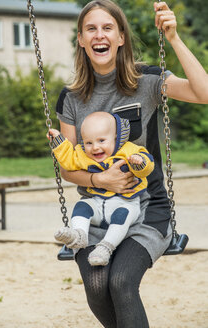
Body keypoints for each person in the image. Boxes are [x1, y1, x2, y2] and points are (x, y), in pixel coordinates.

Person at [55, 0, 208, 326]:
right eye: (91, 29)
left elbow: (204, 93)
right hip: (96, 210)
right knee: (97, 286)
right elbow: (68, 167)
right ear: (81, 39)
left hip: (148, 208)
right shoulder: (71, 98)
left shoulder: (148, 80)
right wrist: (100, 181)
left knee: (121, 282)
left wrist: (174, 39)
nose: (100, 35)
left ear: (121, 36)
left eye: (108, 27)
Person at [48, 111, 154, 266]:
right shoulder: (83, 154)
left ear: (116, 138)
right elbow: (69, 161)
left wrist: (139, 162)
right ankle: (79, 235)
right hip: (96, 204)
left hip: (125, 203)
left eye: (101, 141)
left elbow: (147, 167)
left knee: (122, 216)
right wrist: (58, 141)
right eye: (88, 143)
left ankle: (105, 247)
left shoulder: (128, 151)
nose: (95, 148)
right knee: (82, 206)